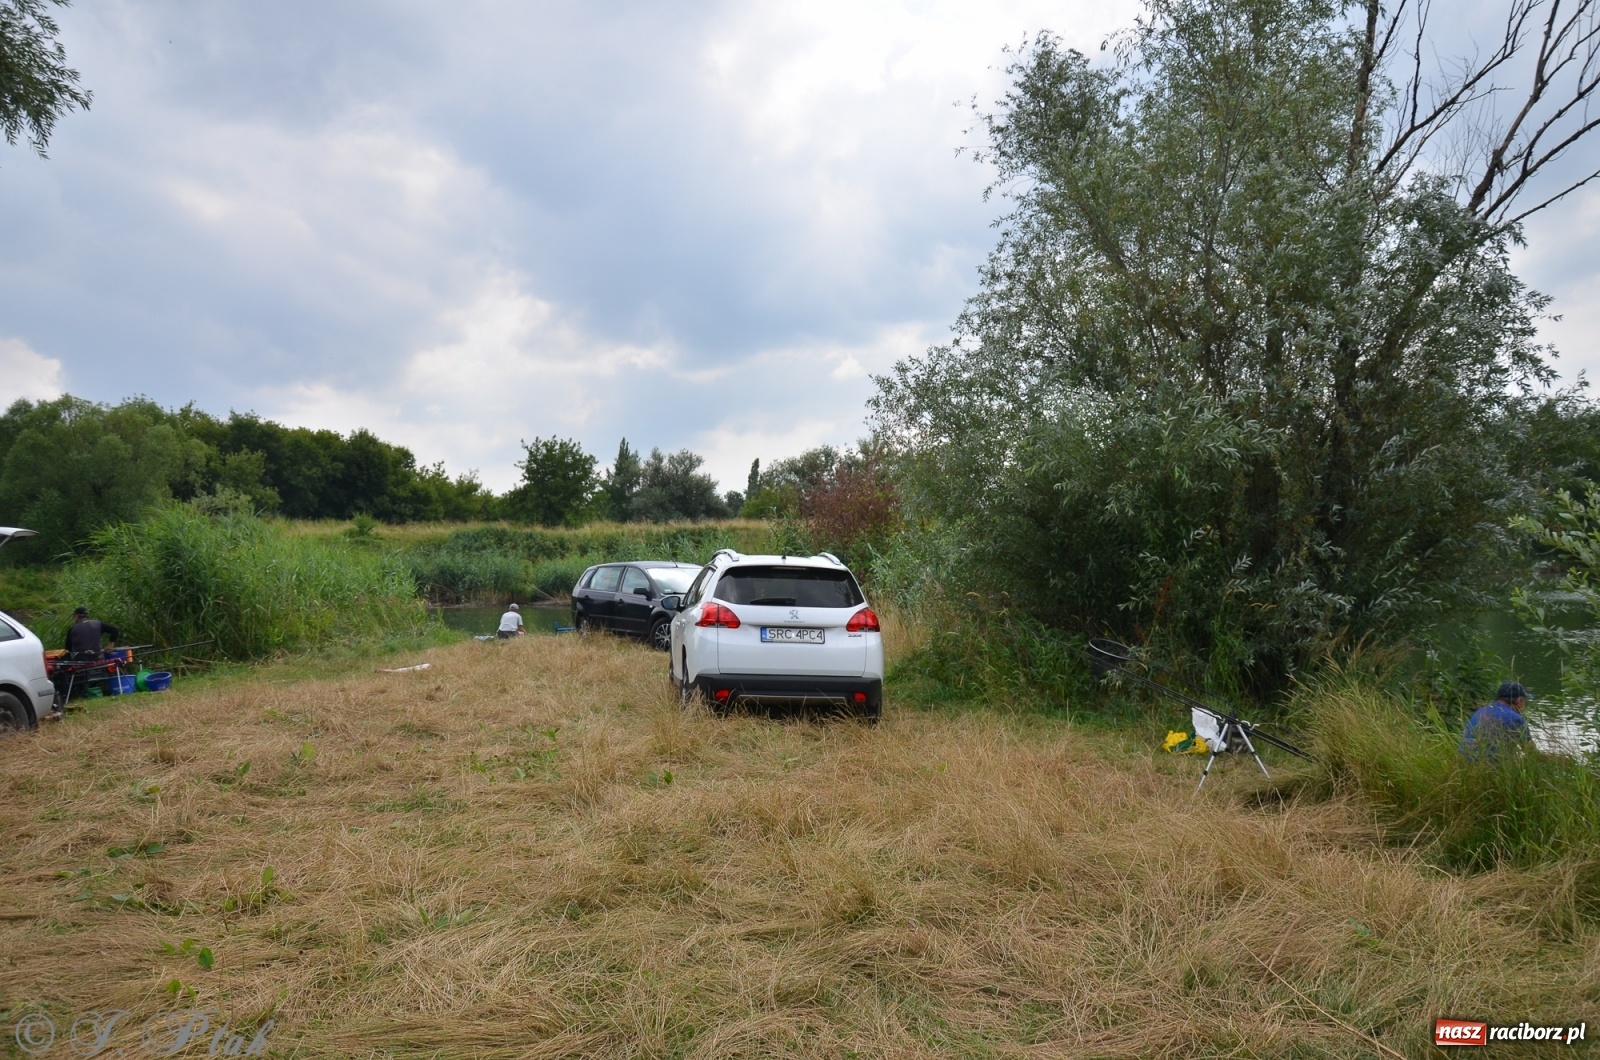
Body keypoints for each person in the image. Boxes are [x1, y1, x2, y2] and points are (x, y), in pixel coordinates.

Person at [1460, 680, 1532, 759]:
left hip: (1463, 764)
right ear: (1519, 701)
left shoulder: (1480, 711)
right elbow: (1532, 753)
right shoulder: (1516, 719)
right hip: (1487, 768)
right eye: (1524, 701)